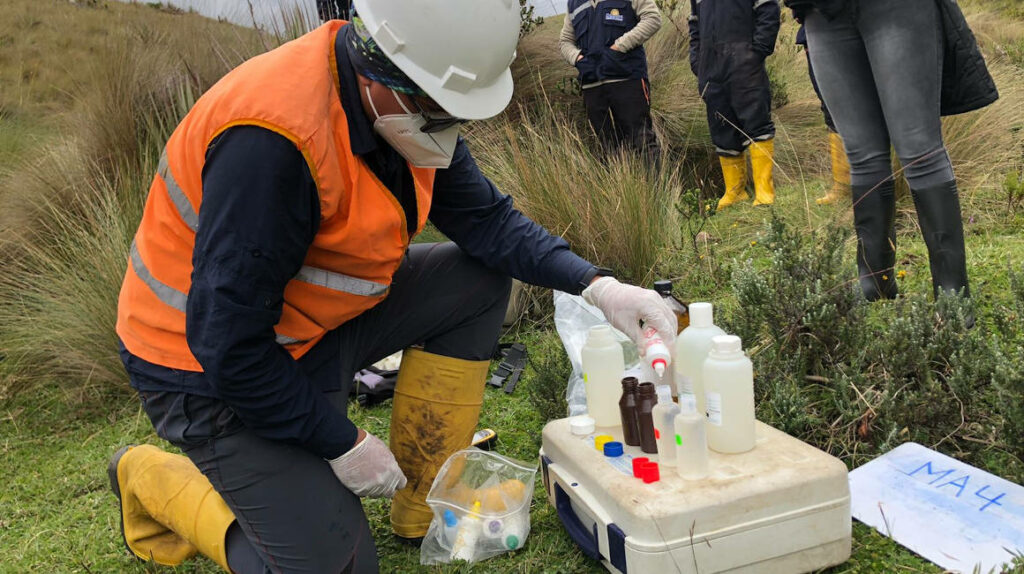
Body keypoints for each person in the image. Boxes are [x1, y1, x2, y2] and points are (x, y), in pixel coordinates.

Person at [107, 1, 678, 572]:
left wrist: (600, 287)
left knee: (475, 281)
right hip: (207, 373)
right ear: (379, 69)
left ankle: (421, 499)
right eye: (436, 109)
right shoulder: (272, 144)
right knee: (342, 565)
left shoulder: (412, 104)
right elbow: (228, 347)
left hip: (310, 329)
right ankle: (157, 480)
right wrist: (341, 441)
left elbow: (488, 223)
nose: (446, 127)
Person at [787, 0, 997, 301]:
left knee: (920, 153)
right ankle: (875, 281)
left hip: (895, 8)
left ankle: (952, 294)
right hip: (820, 12)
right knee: (862, 155)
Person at [689, 0, 781, 211]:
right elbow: (694, 26)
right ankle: (735, 191)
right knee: (721, 127)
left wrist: (757, 51)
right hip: (710, 68)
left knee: (756, 121)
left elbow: (768, 9)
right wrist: (697, 61)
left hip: (744, 62)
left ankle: (764, 190)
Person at [559, 0, 663, 155]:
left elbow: (653, 18)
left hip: (627, 79)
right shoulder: (573, 3)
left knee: (642, 143)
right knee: (606, 149)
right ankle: (615, 180)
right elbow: (565, 41)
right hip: (592, 86)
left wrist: (619, 46)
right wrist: (578, 58)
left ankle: (650, 180)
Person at [796, 25, 850, 205]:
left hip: (849, 26)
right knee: (830, 105)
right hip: (814, 30)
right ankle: (843, 185)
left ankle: (874, 181)